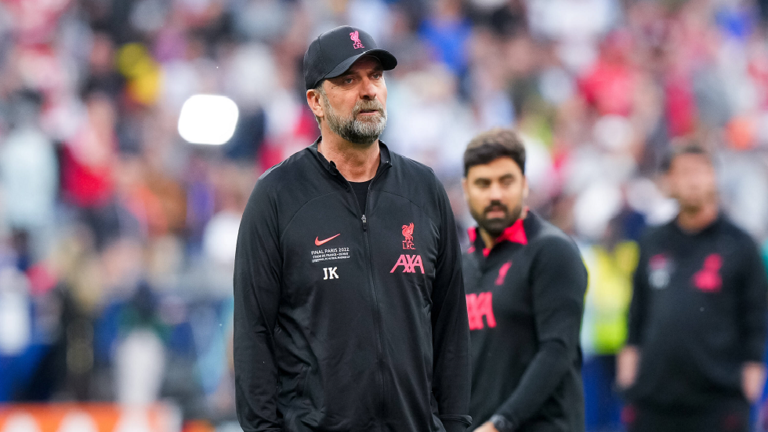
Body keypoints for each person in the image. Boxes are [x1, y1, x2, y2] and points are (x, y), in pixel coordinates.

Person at [233, 26, 471, 432]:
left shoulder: (424, 190)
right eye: (348, 80)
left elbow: (451, 330)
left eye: (375, 76)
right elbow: (253, 335)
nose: (369, 90)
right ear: (316, 101)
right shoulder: (277, 196)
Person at [617, 145, 768, 432]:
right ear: (669, 182)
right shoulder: (652, 241)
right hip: (654, 399)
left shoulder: (740, 245)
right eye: (684, 173)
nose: (693, 181)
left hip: (718, 400)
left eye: (701, 171)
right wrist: (628, 369)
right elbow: (637, 312)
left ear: (714, 178)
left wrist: (752, 377)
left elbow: (755, 319)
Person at [461, 128, 588, 432]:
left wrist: (500, 423)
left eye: (506, 182)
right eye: (483, 183)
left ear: (525, 184)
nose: (495, 194)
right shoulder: (462, 263)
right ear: (466, 189)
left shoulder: (552, 251)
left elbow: (557, 350)